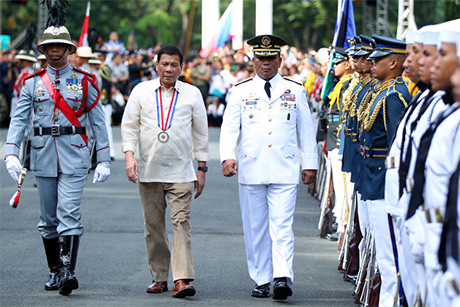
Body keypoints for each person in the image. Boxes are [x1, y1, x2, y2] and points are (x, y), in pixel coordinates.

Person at [3, 2, 111, 296]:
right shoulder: (31, 82)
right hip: (42, 155)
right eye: (49, 47)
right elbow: (19, 119)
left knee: (68, 213)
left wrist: (103, 160)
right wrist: (10, 152)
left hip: (74, 154)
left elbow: (98, 123)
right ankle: (54, 270)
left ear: (68, 49)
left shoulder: (85, 80)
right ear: (44, 49)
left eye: (59, 47)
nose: (54, 51)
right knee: (48, 220)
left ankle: (67, 271)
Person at [219, 34, 318, 300]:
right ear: (253, 61)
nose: (265, 63)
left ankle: (282, 276)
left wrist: (310, 163)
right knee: (256, 227)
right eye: (261, 58)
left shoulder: (295, 89)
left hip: (285, 167)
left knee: (282, 225)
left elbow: (307, 131)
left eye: (270, 58)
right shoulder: (240, 90)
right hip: (251, 166)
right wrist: (227, 155)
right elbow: (229, 127)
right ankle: (262, 278)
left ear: (280, 60)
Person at [121, 45, 209, 299]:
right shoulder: (141, 91)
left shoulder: (192, 94)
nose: (169, 69)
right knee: (153, 227)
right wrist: (129, 156)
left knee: (181, 223)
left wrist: (201, 168)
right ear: (156, 65)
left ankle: (181, 279)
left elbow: (201, 135)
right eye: (165, 64)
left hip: (182, 171)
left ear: (182, 67)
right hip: (149, 170)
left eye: (174, 65)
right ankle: (159, 276)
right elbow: (129, 127)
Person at [360, 35, 411, 306]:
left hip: (384, 179)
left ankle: (392, 301)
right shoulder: (384, 91)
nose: (371, 63)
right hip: (374, 175)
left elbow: (396, 146)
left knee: (391, 254)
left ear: (393, 63)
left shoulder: (394, 96)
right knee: (384, 251)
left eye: (377, 59)